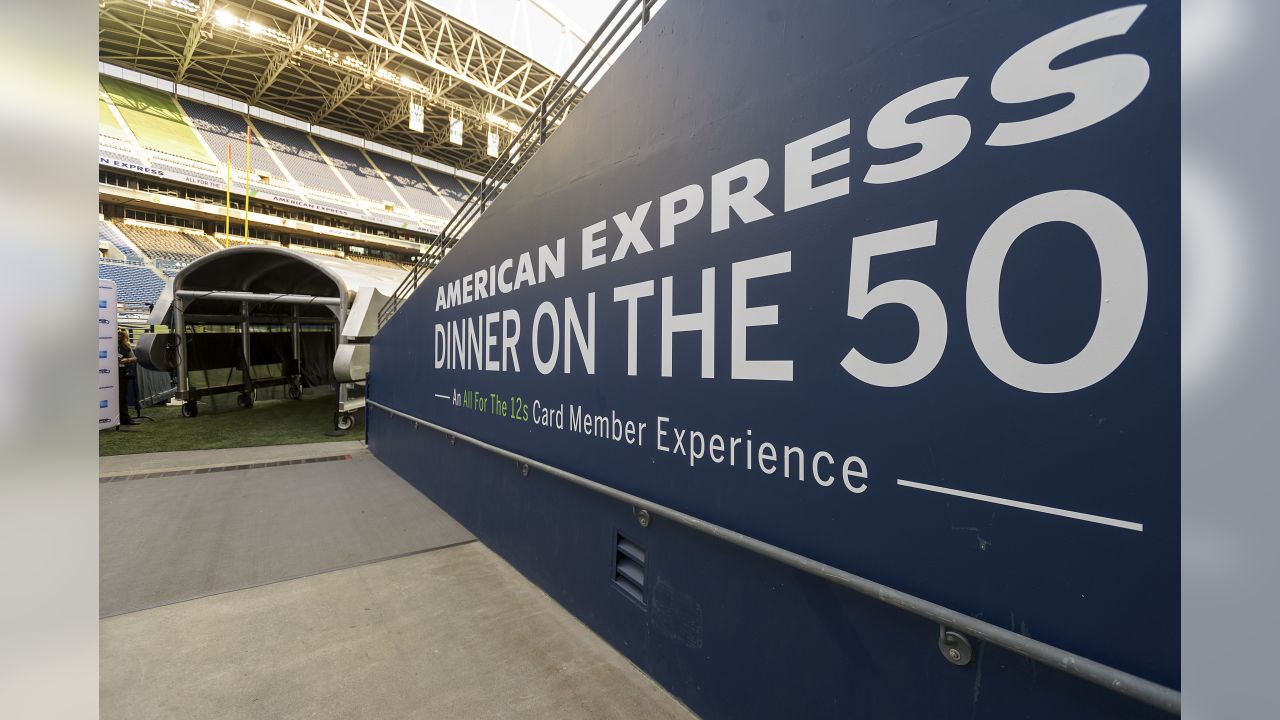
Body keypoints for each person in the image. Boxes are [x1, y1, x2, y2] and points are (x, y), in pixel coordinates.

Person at [117, 328, 139, 426]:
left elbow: (135, 358)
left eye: (121, 335)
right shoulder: (107, 345)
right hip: (110, 374)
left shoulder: (126, 346)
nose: (119, 336)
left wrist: (126, 360)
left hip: (122, 373)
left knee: (122, 396)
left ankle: (124, 418)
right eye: (117, 334)